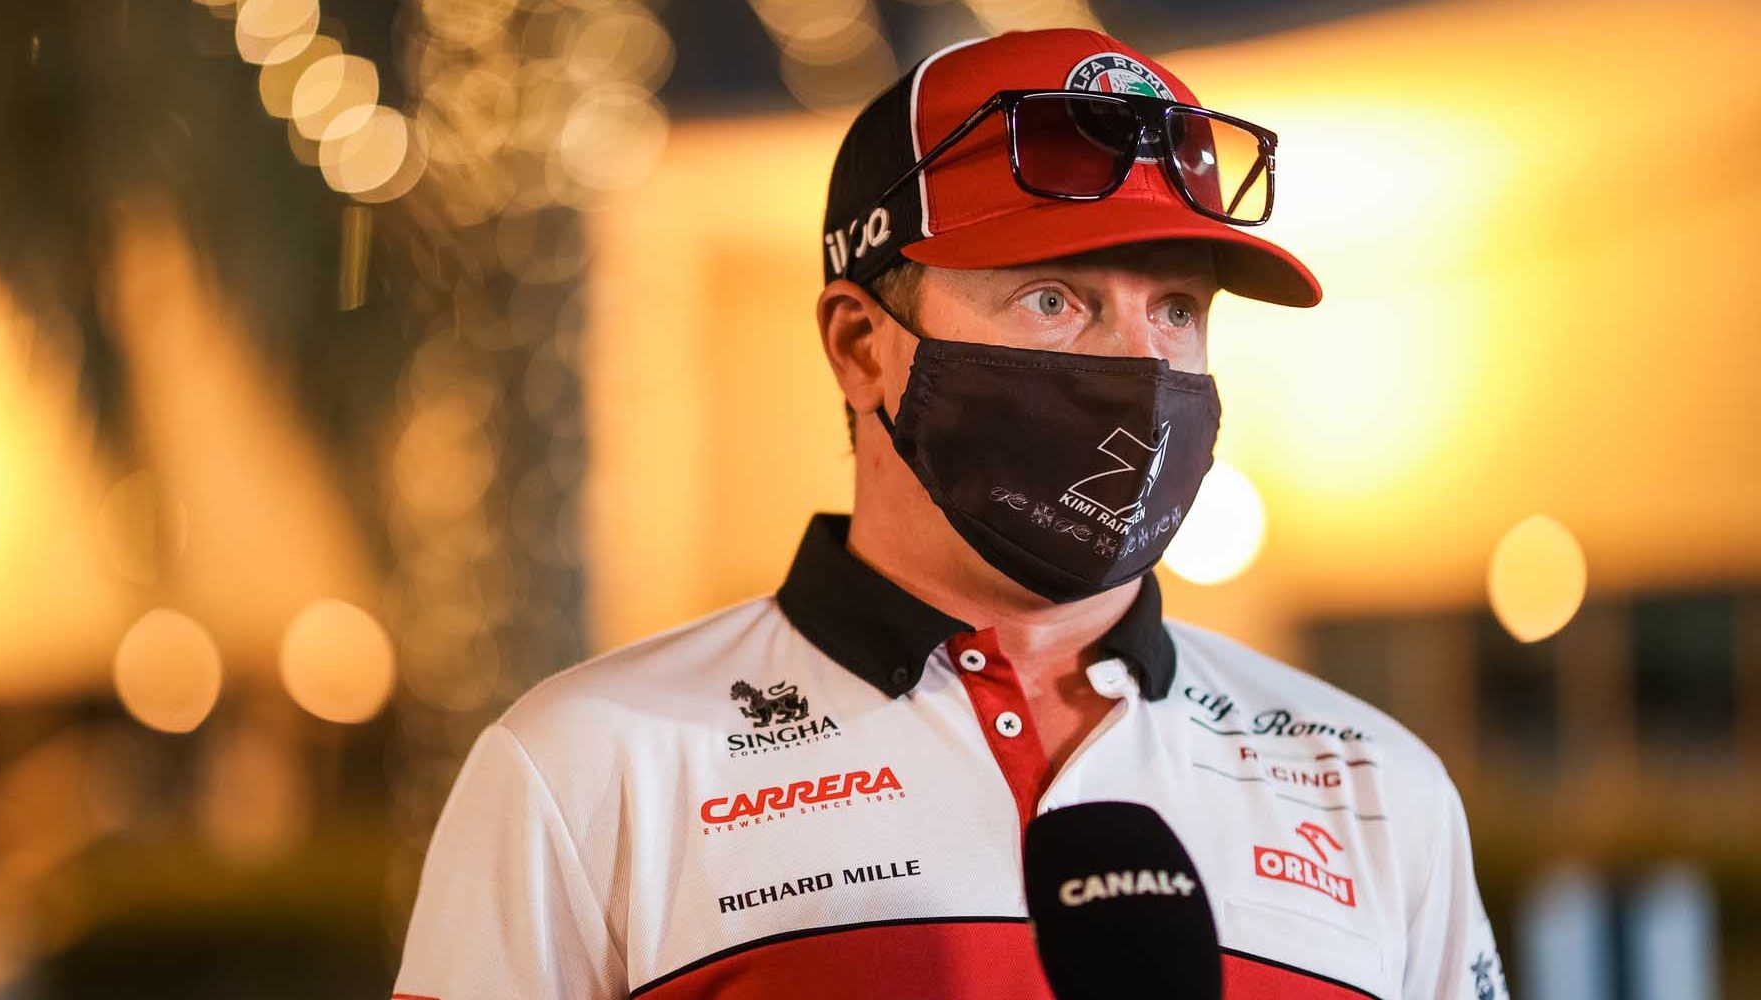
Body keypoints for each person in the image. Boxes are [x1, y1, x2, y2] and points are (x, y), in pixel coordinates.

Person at [391, 27, 1508, 1000]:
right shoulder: (591, 765)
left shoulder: (1375, 783)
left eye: (1177, 307)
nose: (1142, 361)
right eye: (1055, 298)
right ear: (859, 344)